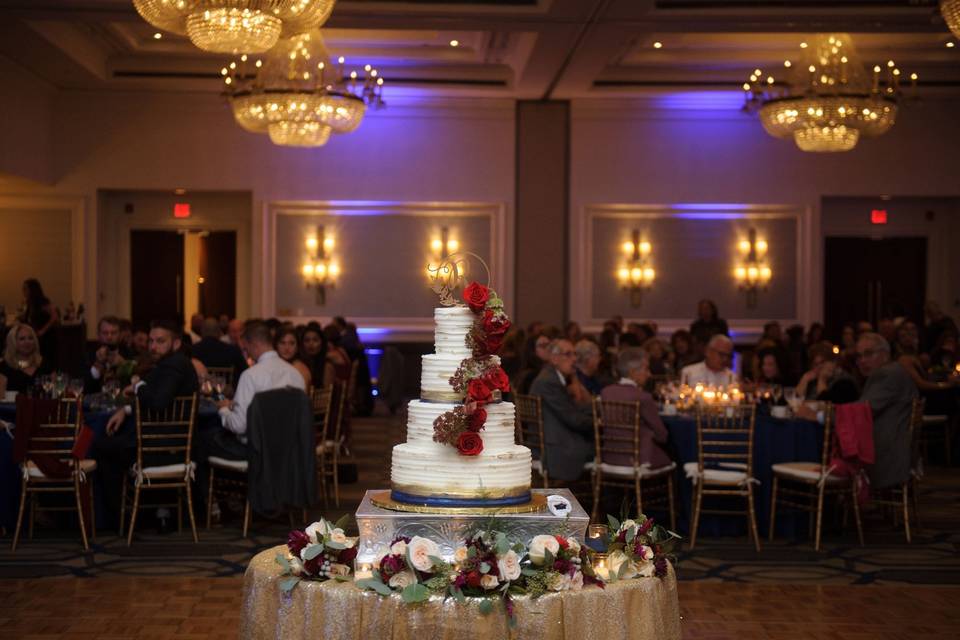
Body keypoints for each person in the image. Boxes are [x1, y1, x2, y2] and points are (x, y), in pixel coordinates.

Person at [97, 320, 200, 530]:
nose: (153, 346)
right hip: (166, 444)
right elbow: (161, 400)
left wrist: (138, 386)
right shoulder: (171, 363)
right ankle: (142, 512)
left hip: (163, 448)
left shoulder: (174, 365)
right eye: (151, 341)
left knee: (100, 447)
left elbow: (159, 402)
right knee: (110, 442)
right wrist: (126, 410)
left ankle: (117, 520)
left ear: (176, 343)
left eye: (160, 341)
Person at [202, 321, 305, 461]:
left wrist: (223, 409)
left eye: (245, 349)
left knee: (204, 439)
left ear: (254, 345)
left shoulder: (251, 375)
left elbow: (239, 426)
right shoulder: (295, 374)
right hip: (289, 449)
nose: (246, 354)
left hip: (258, 452)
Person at [856, 333, 917, 489]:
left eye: (868, 354)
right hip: (894, 451)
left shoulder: (887, 374)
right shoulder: (893, 371)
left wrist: (822, 415)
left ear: (884, 354)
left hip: (885, 457)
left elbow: (862, 412)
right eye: (859, 356)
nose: (862, 361)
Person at [529, 339, 594, 483]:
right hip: (555, 447)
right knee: (603, 448)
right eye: (568, 354)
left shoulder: (553, 377)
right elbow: (573, 419)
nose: (575, 359)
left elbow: (572, 410)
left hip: (554, 439)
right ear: (554, 359)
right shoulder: (549, 382)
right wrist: (597, 420)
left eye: (575, 354)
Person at [599, 348, 671, 468]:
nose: (649, 374)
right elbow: (662, 435)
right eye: (646, 369)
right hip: (639, 459)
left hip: (609, 458)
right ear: (632, 372)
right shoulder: (643, 397)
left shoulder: (605, 392)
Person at [795, 342, 859, 405]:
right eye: (815, 364)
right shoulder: (812, 380)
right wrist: (804, 380)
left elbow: (827, 408)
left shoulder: (845, 382)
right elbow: (794, 403)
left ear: (834, 362)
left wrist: (822, 379)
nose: (819, 367)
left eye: (822, 362)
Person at [85, 316, 135, 394]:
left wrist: (123, 365)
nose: (109, 337)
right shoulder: (89, 354)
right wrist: (98, 364)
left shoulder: (128, 353)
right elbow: (85, 387)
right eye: (105, 333)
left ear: (120, 334)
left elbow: (134, 383)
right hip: (96, 401)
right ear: (98, 335)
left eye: (114, 333)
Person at [20, 278, 59, 370]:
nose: (23, 291)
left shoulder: (42, 302)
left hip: (46, 339)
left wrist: (42, 331)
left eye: (25, 289)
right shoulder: (30, 303)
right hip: (35, 338)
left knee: (45, 364)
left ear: (32, 289)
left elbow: (54, 317)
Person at [0, 323, 50, 395]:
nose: (27, 342)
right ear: (13, 342)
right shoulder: (4, 368)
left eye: (30, 338)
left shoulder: (44, 364)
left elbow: (54, 394)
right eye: (22, 339)